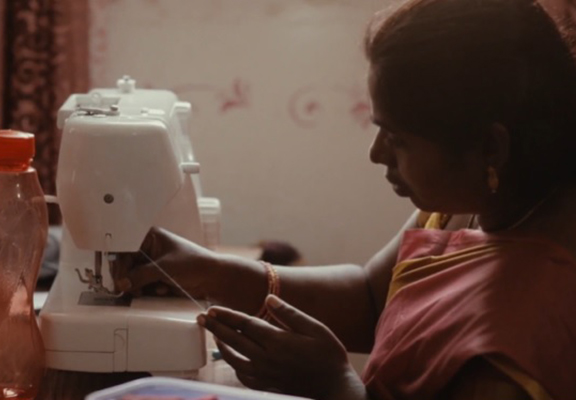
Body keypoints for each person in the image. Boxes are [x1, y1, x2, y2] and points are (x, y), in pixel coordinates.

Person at [112, 0, 576, 398]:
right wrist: (212, 269)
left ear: (491, 148)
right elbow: (373, 296)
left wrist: (336, 387)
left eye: (396, 138)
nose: (376, 155)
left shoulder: (523, 340)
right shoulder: (477, 200)